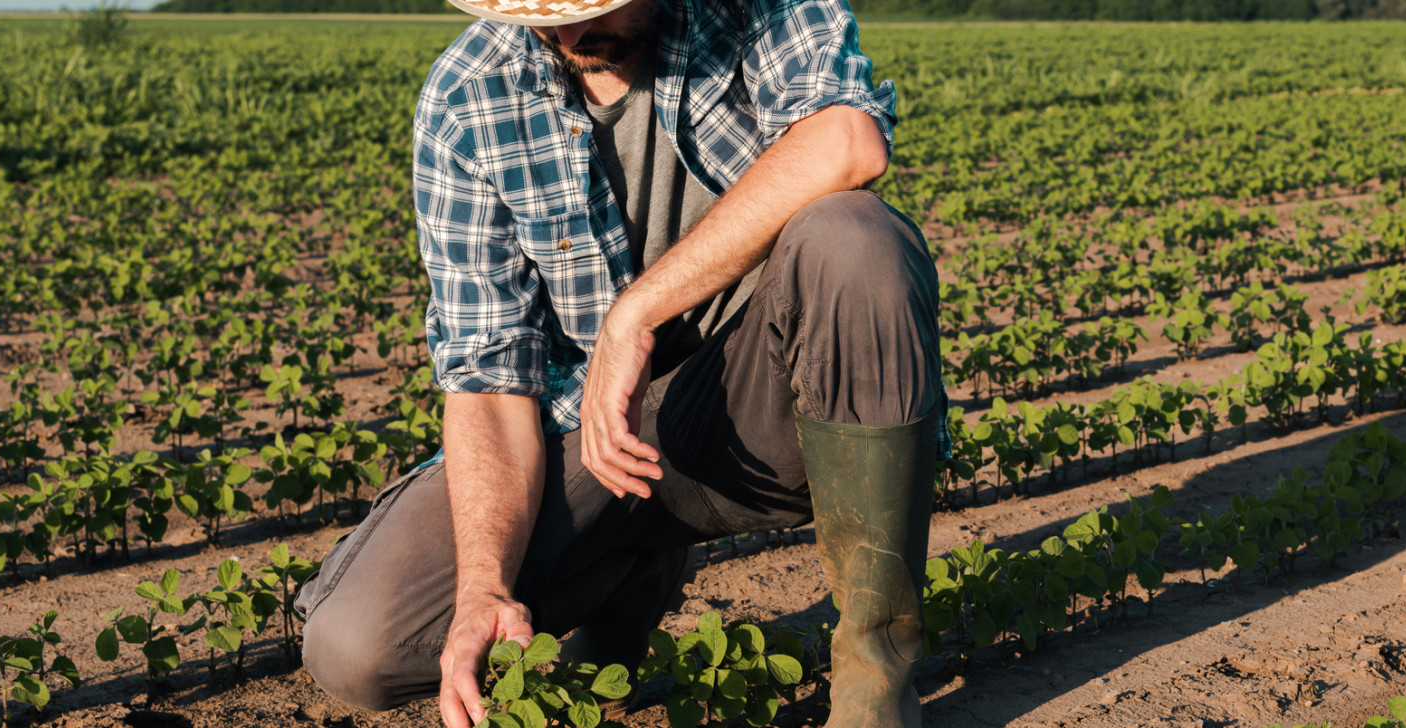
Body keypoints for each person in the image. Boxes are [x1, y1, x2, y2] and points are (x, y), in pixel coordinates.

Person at [292, 0, 948, 726]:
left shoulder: (761, 10)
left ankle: (875, 687)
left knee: (855, 235)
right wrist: (485, 585)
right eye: (541, 11)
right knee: (360, 644)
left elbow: (845, 143)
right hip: (598, 439)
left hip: (768, 408)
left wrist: (634, 312)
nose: (569, 34)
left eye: (591, 4)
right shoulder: (468, 94)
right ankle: (629, 570)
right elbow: (489, 379)